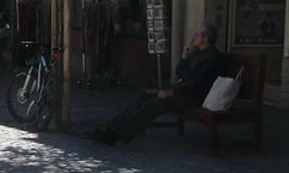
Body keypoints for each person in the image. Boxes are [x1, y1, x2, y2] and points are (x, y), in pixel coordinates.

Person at [92, 21, 224, 144]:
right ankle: (112, 126)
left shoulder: (212, 57)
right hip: (183, 91)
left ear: (206, 38)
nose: (194, 36)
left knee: (154, 104)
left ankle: (119, 134)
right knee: (144, 97)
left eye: (198, 34)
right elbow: (181, 73)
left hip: (195, 96)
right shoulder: (196, 53)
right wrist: (184, 58)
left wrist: (171, 91)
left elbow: (197, 82)